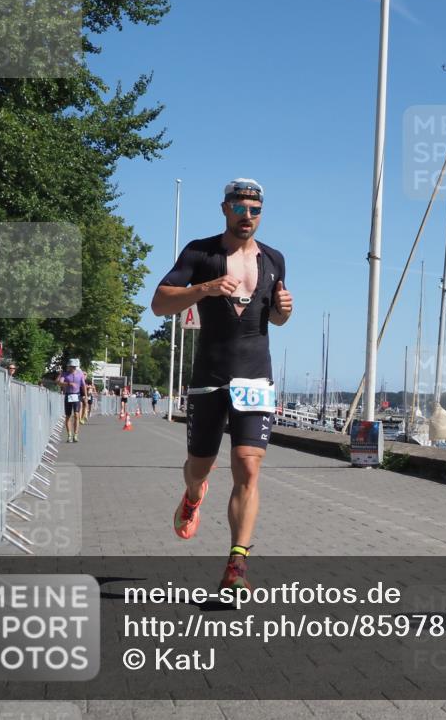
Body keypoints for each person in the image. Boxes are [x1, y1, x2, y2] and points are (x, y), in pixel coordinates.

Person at [151, 178, 293, 591]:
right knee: (199, 467)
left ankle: (237, 564)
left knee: (248, 466)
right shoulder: (200, 252)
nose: (247, 216)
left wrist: (284, 311)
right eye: (239, 208)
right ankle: (194, 495)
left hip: (256, 375)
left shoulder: (274, 259)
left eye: (255, 210)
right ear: (225, 209)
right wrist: (205, 289)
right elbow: (159, 303)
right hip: (210, 378)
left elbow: (274, 318)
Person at [56, 358, 87, 443]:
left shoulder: (80, 374)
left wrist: (86, 396)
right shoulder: (65, 374)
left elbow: (83, 385)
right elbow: (59, 383)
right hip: (68, 395)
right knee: (68, 416)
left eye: (74, 366)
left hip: (76, 395)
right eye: (71, 366)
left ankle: (75, 435)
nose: (72, 368)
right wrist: (68, 383)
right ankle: (69, 435)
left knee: (76, 415)